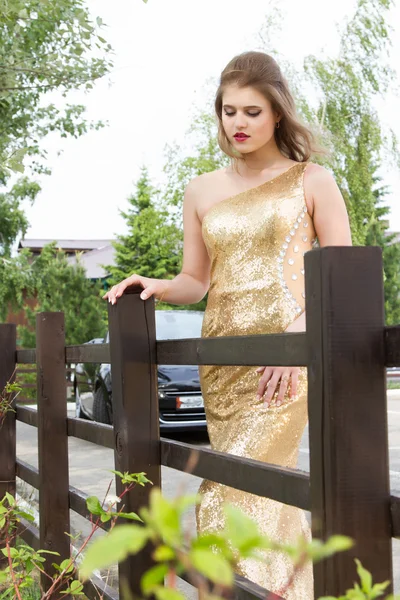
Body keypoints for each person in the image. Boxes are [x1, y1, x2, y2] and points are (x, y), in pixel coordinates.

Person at [104, 51, 352, 598]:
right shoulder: (201, 189)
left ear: (278, 116)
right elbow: (196, 279)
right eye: (228, 111)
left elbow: (342, 275)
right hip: (223, 362)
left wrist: (295, 341)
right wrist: (156, 284)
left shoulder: (311, 180)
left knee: (225, 495)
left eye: (252, 112)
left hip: (284, 361)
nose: (237, 123)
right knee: (263, 499)